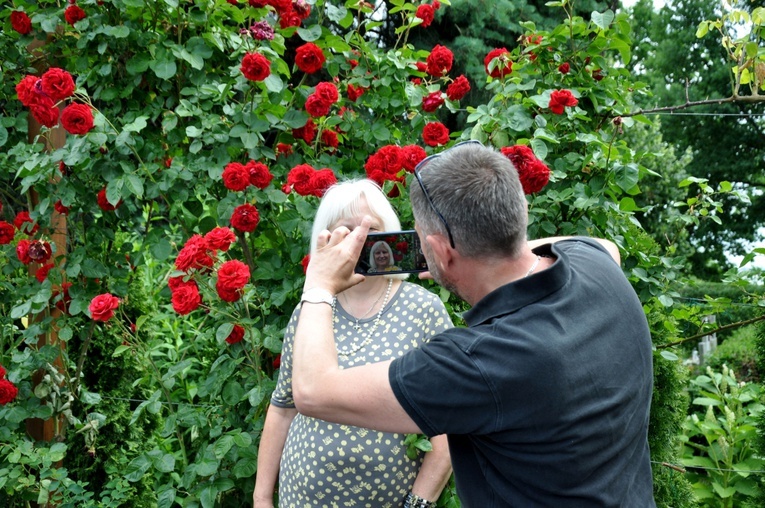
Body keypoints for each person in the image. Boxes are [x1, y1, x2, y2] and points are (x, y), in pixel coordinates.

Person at [290, 142, 656, 506]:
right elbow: (604, 245)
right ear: (520, 211)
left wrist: (319, 284)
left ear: (442, 250)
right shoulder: (596, 267)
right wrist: (481, 256)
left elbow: (312, 392)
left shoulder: (479, 363)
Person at [252, 179, 453, 508]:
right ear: (325, 241)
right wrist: (261, 498)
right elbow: (283, 408)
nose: (360, 240)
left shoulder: (423, 310)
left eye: (370, 229)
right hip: (301, 498)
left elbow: (449, 420)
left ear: (389, 234)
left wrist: (420, 502)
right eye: (346, 231)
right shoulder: (312, 309)